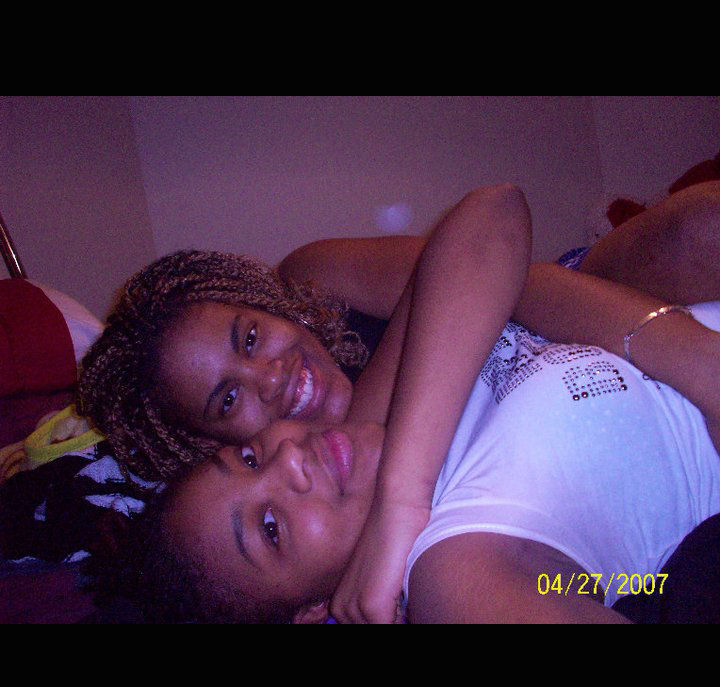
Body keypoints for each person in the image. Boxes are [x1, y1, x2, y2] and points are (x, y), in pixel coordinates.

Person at [80, 181, 720, 622]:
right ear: (206, 441)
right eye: (227, 400)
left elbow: (504, 252)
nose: (269, 376)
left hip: (556, 299)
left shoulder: (316, 285)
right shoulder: (442, 557)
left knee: (702, 224)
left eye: (249, 337)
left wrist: (692, 358)